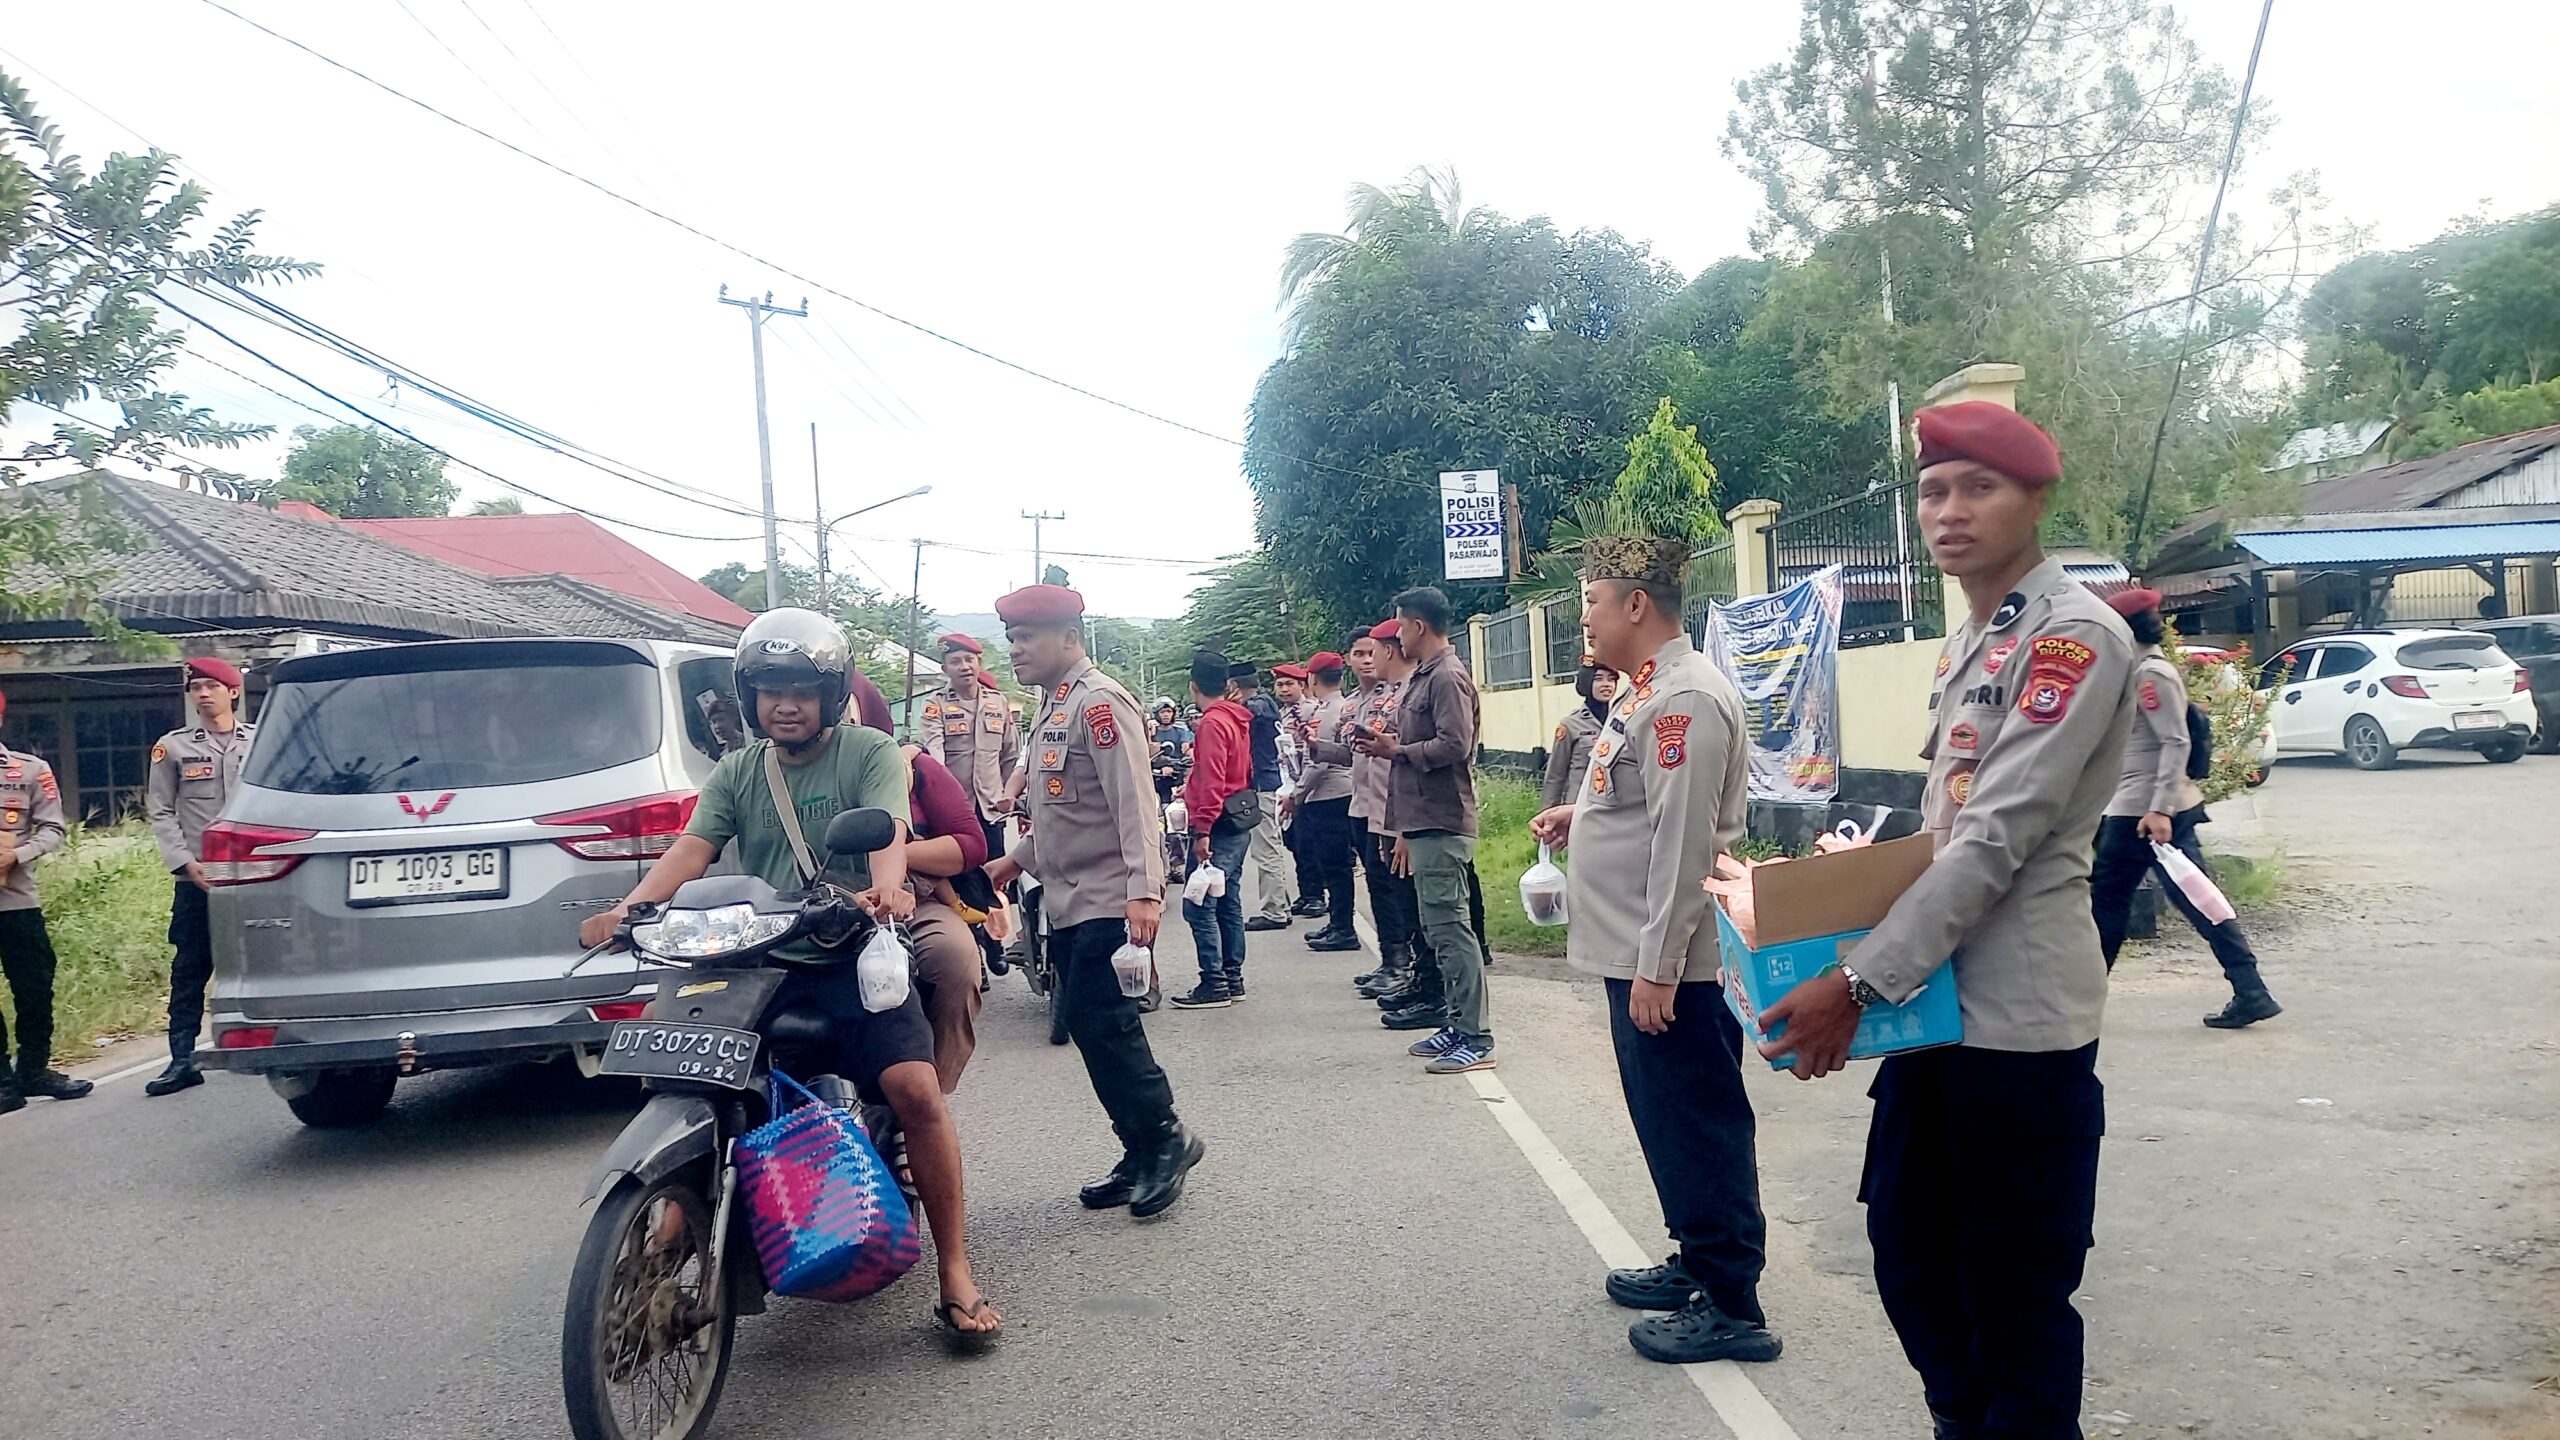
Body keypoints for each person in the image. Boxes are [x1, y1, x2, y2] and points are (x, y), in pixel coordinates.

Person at [1756, 401, 2132, 1439]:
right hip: (1935, 1011)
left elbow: (1993, 842)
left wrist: (1855, 981)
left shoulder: (2073, 640)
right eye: (1933, 492)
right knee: (1912, 1260)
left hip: (2015, 1024)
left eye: (1979, 488)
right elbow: (1940, 829)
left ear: (2035, 500)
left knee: (2013, 1292)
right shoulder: (1977, 637)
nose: (1950, 511)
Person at [579, 609, 999, 1338]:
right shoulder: (739, 771)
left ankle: (955, 1269)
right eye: (770, 688)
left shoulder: (868, 751)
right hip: (753, 960)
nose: (786, 703)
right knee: (687, 1077)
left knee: (913, 1089)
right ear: (749, 696)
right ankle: (655, 1250)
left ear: (831, 693)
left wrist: (889, 889)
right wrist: (629, 906)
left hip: (850, 952)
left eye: (803, 689)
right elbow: (692, 850)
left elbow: (886, 832)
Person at [1530, 531, 1776, 1366]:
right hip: (1638, 953)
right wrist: (1582, 816)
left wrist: (1657, 968)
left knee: (1698, 1122)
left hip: (1676, 966)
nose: (1584, 620)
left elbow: (1683, 841)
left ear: (1636, 603)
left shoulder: (1685, 700)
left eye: (1592, 602)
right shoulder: (1646, 691)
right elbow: (1644, 803)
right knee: (1666, 1120)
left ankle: (1733, 1302)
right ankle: (1695, 1261)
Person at [979, 584, 1203, 1218]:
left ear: (1068, 638)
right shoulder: (1055, 706)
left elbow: (1134, 805)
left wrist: (1145, 892)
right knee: (1085, 1021)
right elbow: (1057, 811)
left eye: (1026, 637)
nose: (1015, 648)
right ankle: (1139, 1148)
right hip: (1068, 895)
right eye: (1012, 637)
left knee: (1102, 1019)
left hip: (1109, 894)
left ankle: (1164, 1139)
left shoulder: (1100, 704)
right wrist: (1009, 861)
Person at [2090, 587, 2282, 1029]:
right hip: (2146, 806)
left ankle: (2078, 1000)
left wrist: (2158, 809)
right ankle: (2251, 990)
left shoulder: (2150, 675)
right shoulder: (2137, 669)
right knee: (2195, 899)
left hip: (2145, 809)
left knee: (2109, 901)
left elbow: (2174, 740)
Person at [1357, 586, 1492, 1073]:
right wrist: (1389, 744)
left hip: (1442, 819)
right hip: (1423, 820)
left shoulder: (1448, 676)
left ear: (1417, 626)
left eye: (1399, 626)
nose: (1395, 636)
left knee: (1452, 932)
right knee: (1438, 930)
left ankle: (1476, 1035)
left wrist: (1399, 752)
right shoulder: (1425, 677)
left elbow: (1455, 745)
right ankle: (1458, 1024)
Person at [139, 656, 257, 1098]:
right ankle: (182, 1058)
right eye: (196, 688)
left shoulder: (261, 742)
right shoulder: (172, 748)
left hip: (256, 874)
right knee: (189, 967)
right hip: (198, 878)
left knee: (267, 956)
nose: (203, 694)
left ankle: (276, 1042)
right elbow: (161, 809)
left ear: (233, 692)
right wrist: (186, 863)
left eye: (211, 686)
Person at [0, 690, 88, 1115]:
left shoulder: (28, 770)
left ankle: (34, 1068)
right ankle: (1, 1080)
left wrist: (17, 854)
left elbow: (53, 828)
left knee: (34, 986)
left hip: (16, 900)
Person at [1169, 651, 1255, 1009]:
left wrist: (1202, 828)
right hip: (1238, 817)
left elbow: (1213, 778)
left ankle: (1213, 980)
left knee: (1199, 903)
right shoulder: (1237, 719)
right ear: (1228, 685)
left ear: (1194, 686)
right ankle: (1232, 977)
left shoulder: (1210, 723)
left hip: (1216, 822)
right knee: (1227, 900)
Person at [919, 633, 1021, 862]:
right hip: (955, 808)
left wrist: (1007, 794)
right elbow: (936, 756)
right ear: (945, 669)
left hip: (991, 807)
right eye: (956, 662)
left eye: (969, 659)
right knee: (962, 873)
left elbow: (1010, 755)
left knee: (995, 870)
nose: (964, 667)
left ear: (979, 664)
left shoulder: (998, 702)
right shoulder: (935, 705)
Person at [1294, 652, 1361, 952]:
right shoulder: (1341, 706)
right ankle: (1338, 922)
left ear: (1311, 678)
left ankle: (1343, 927)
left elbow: (1318, 762)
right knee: (1336, 865)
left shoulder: (1326, 712)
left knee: (1335, 866)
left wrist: (1297, 795)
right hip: (1340, 793)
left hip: (1329, 796)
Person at [1229, 663, 1295, 930]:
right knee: (1270, 848)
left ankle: (1274, 911)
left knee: (1266, 849)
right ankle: (1281, 904)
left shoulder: (1258, 706)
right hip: (1269, 782)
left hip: (1264, 785)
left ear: (1235, 686)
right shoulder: (1267, 702)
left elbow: (1249, 713)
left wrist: (1233, 706)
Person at [1271, 662, 1326, 918]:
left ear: (1302, 685)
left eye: (1288, 684)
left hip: (1311, 783)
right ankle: (1306, 893)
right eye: (1279, 684)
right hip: (1287, 780)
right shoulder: (1278, 714)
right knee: (1293, 840)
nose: (1283, 689)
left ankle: (1316, 895)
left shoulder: (1312, 710)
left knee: (1309, 842)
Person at [1541, 663, 1620, 810]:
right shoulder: (1570, 725)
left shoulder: (1621, 720)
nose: (1607, 685)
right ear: (1586, 683)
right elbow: (1555, 776)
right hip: (1578, 808)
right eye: (1598, 679)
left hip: (1612, 808)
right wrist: (1548, 814)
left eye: (1611, 679)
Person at [1148, 699, 1192, 805]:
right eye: (1163, 712)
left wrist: (1173, 766)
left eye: (1169, 711)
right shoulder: (1152, 732)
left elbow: (1186, 750)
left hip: (1177, 772)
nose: (1166, 715)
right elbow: (1149, 753)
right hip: (1156, 775)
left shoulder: (1180, 731)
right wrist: (1150, 733)